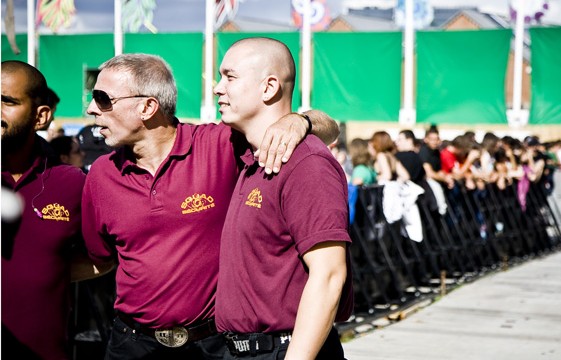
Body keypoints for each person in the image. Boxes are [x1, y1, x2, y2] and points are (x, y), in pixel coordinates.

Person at [80, 53, 337, 359]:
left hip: (213, 345)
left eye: (102, 98)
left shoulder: (219, 144)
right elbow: (100, 258)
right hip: (132, 345)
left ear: (147, 107)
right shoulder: (101, 174)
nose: (91, 108)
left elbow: (330, 128)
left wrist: (299, 120)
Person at [214, 37, 353, 360]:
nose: (218, 88)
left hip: (283, 350)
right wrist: (302, 119)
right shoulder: (247, 151)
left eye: (230, 77)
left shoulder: (307, 163)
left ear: (269, 87)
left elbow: (329, 275)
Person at [1, 60, 112, 360]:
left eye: (7, 102)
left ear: (41, 116)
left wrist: (49, 272)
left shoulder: (73, 183)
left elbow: (103, 257)